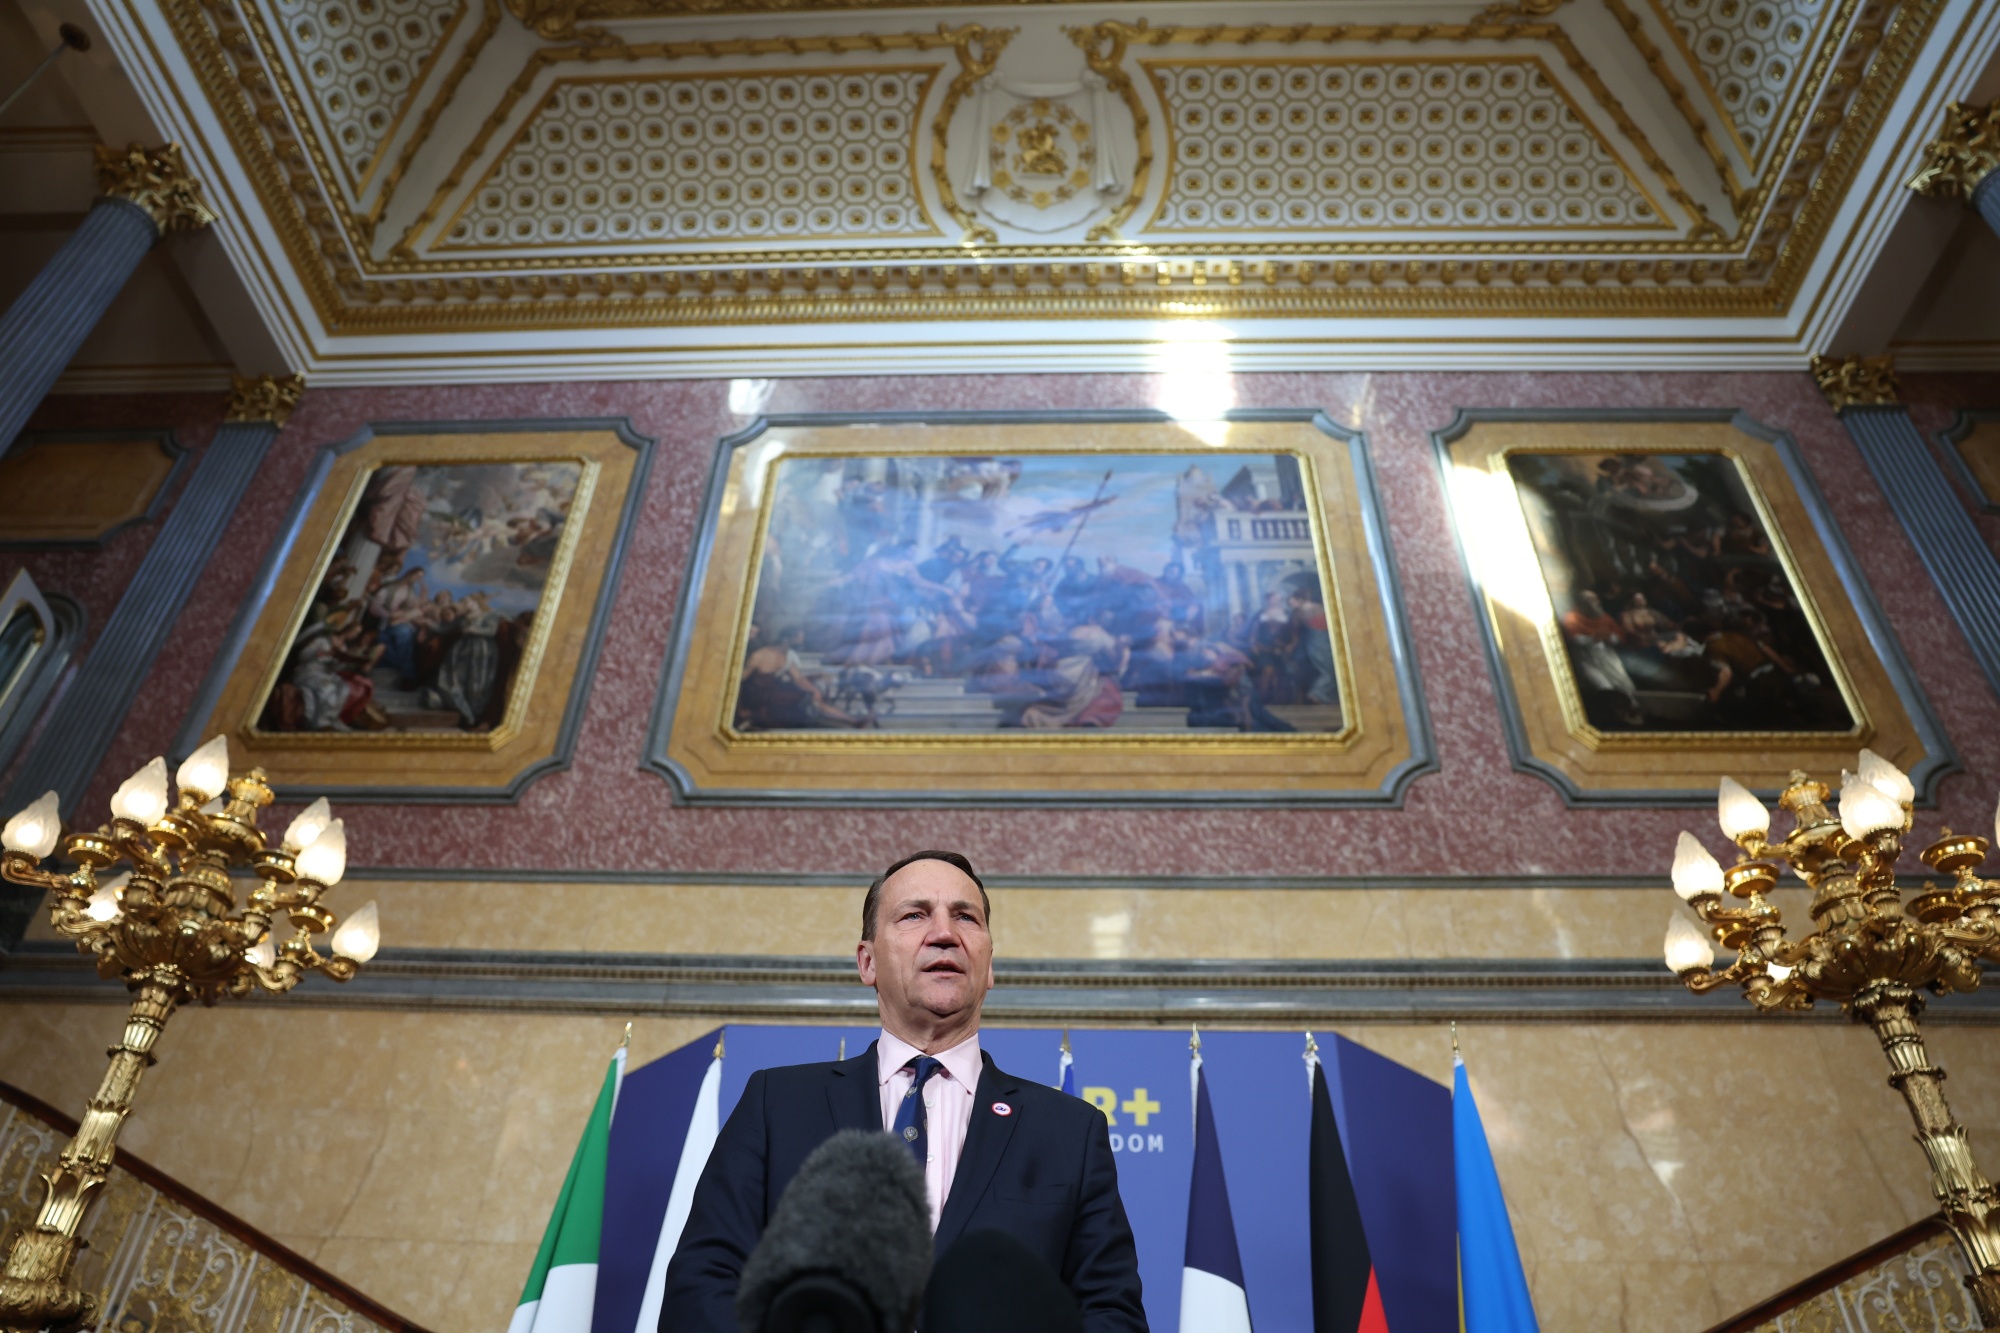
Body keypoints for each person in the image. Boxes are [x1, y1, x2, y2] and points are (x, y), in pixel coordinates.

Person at [662, 851, 1147, 1332]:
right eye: (915, 915)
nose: (944, 934)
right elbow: (701, 1287)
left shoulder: (1069, 1131)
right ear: (867, 962)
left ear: (989, 965)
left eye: (965, 917)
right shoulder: (776, 1103)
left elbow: (1112, 1316)